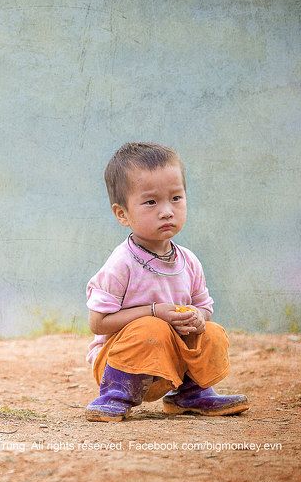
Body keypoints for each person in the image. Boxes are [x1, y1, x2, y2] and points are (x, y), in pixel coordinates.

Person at [84, 142, 249, 422]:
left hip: (170, 365)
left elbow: (204, 307)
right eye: (151, 202)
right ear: (122, 214)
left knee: (211, 332)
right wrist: (154, 312)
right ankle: (113, 397)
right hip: (120, 365)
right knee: (153, 328)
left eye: (176, 198)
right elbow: (98, 323)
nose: (167, 211)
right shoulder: (122, 263)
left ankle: (191, 393)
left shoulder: (189, 261)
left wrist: (197, 316)